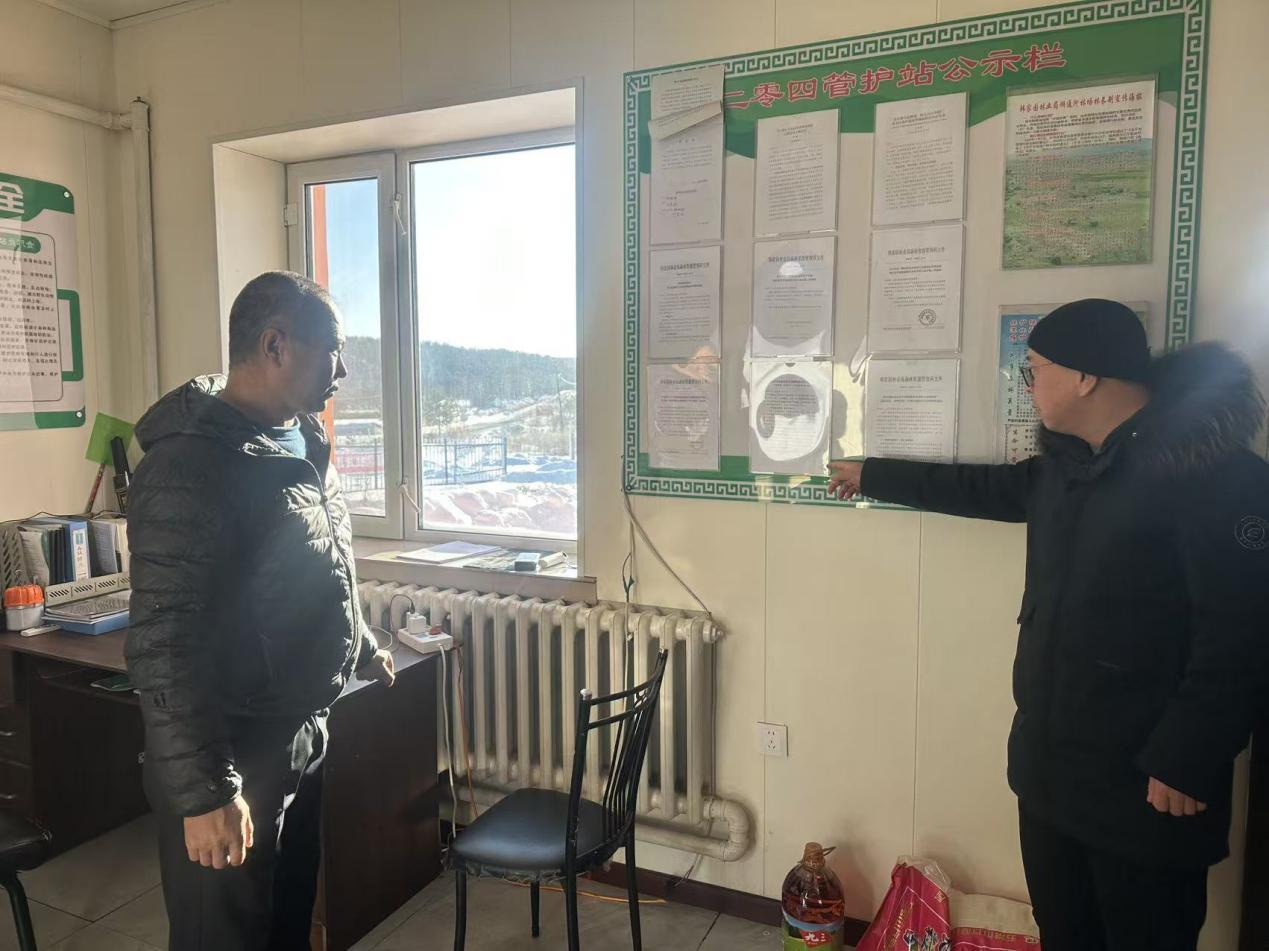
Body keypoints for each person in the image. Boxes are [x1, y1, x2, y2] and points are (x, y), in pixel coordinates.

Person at [828, 299, 1269, 951]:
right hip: (1050, 774)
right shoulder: (1065, 468)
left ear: (1086, 376)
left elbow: (1241, 636)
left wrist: (1187, 757)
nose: (1026, 383)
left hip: (1150, 784)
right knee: (1064, 934)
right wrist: (873, 474)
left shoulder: (1219, 478)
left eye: (1034, 368)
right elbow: (977, 490)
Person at [125, 271, 396, 950]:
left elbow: (313, 571)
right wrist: (206, 793)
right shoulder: (189, 465)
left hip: (295, 733)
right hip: (232, 753)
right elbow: (164, 642)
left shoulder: (301, 440)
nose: (343, 371)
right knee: (223, 937)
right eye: (332, 350)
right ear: (276, 345)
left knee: (284, 924)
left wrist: (360, 644)